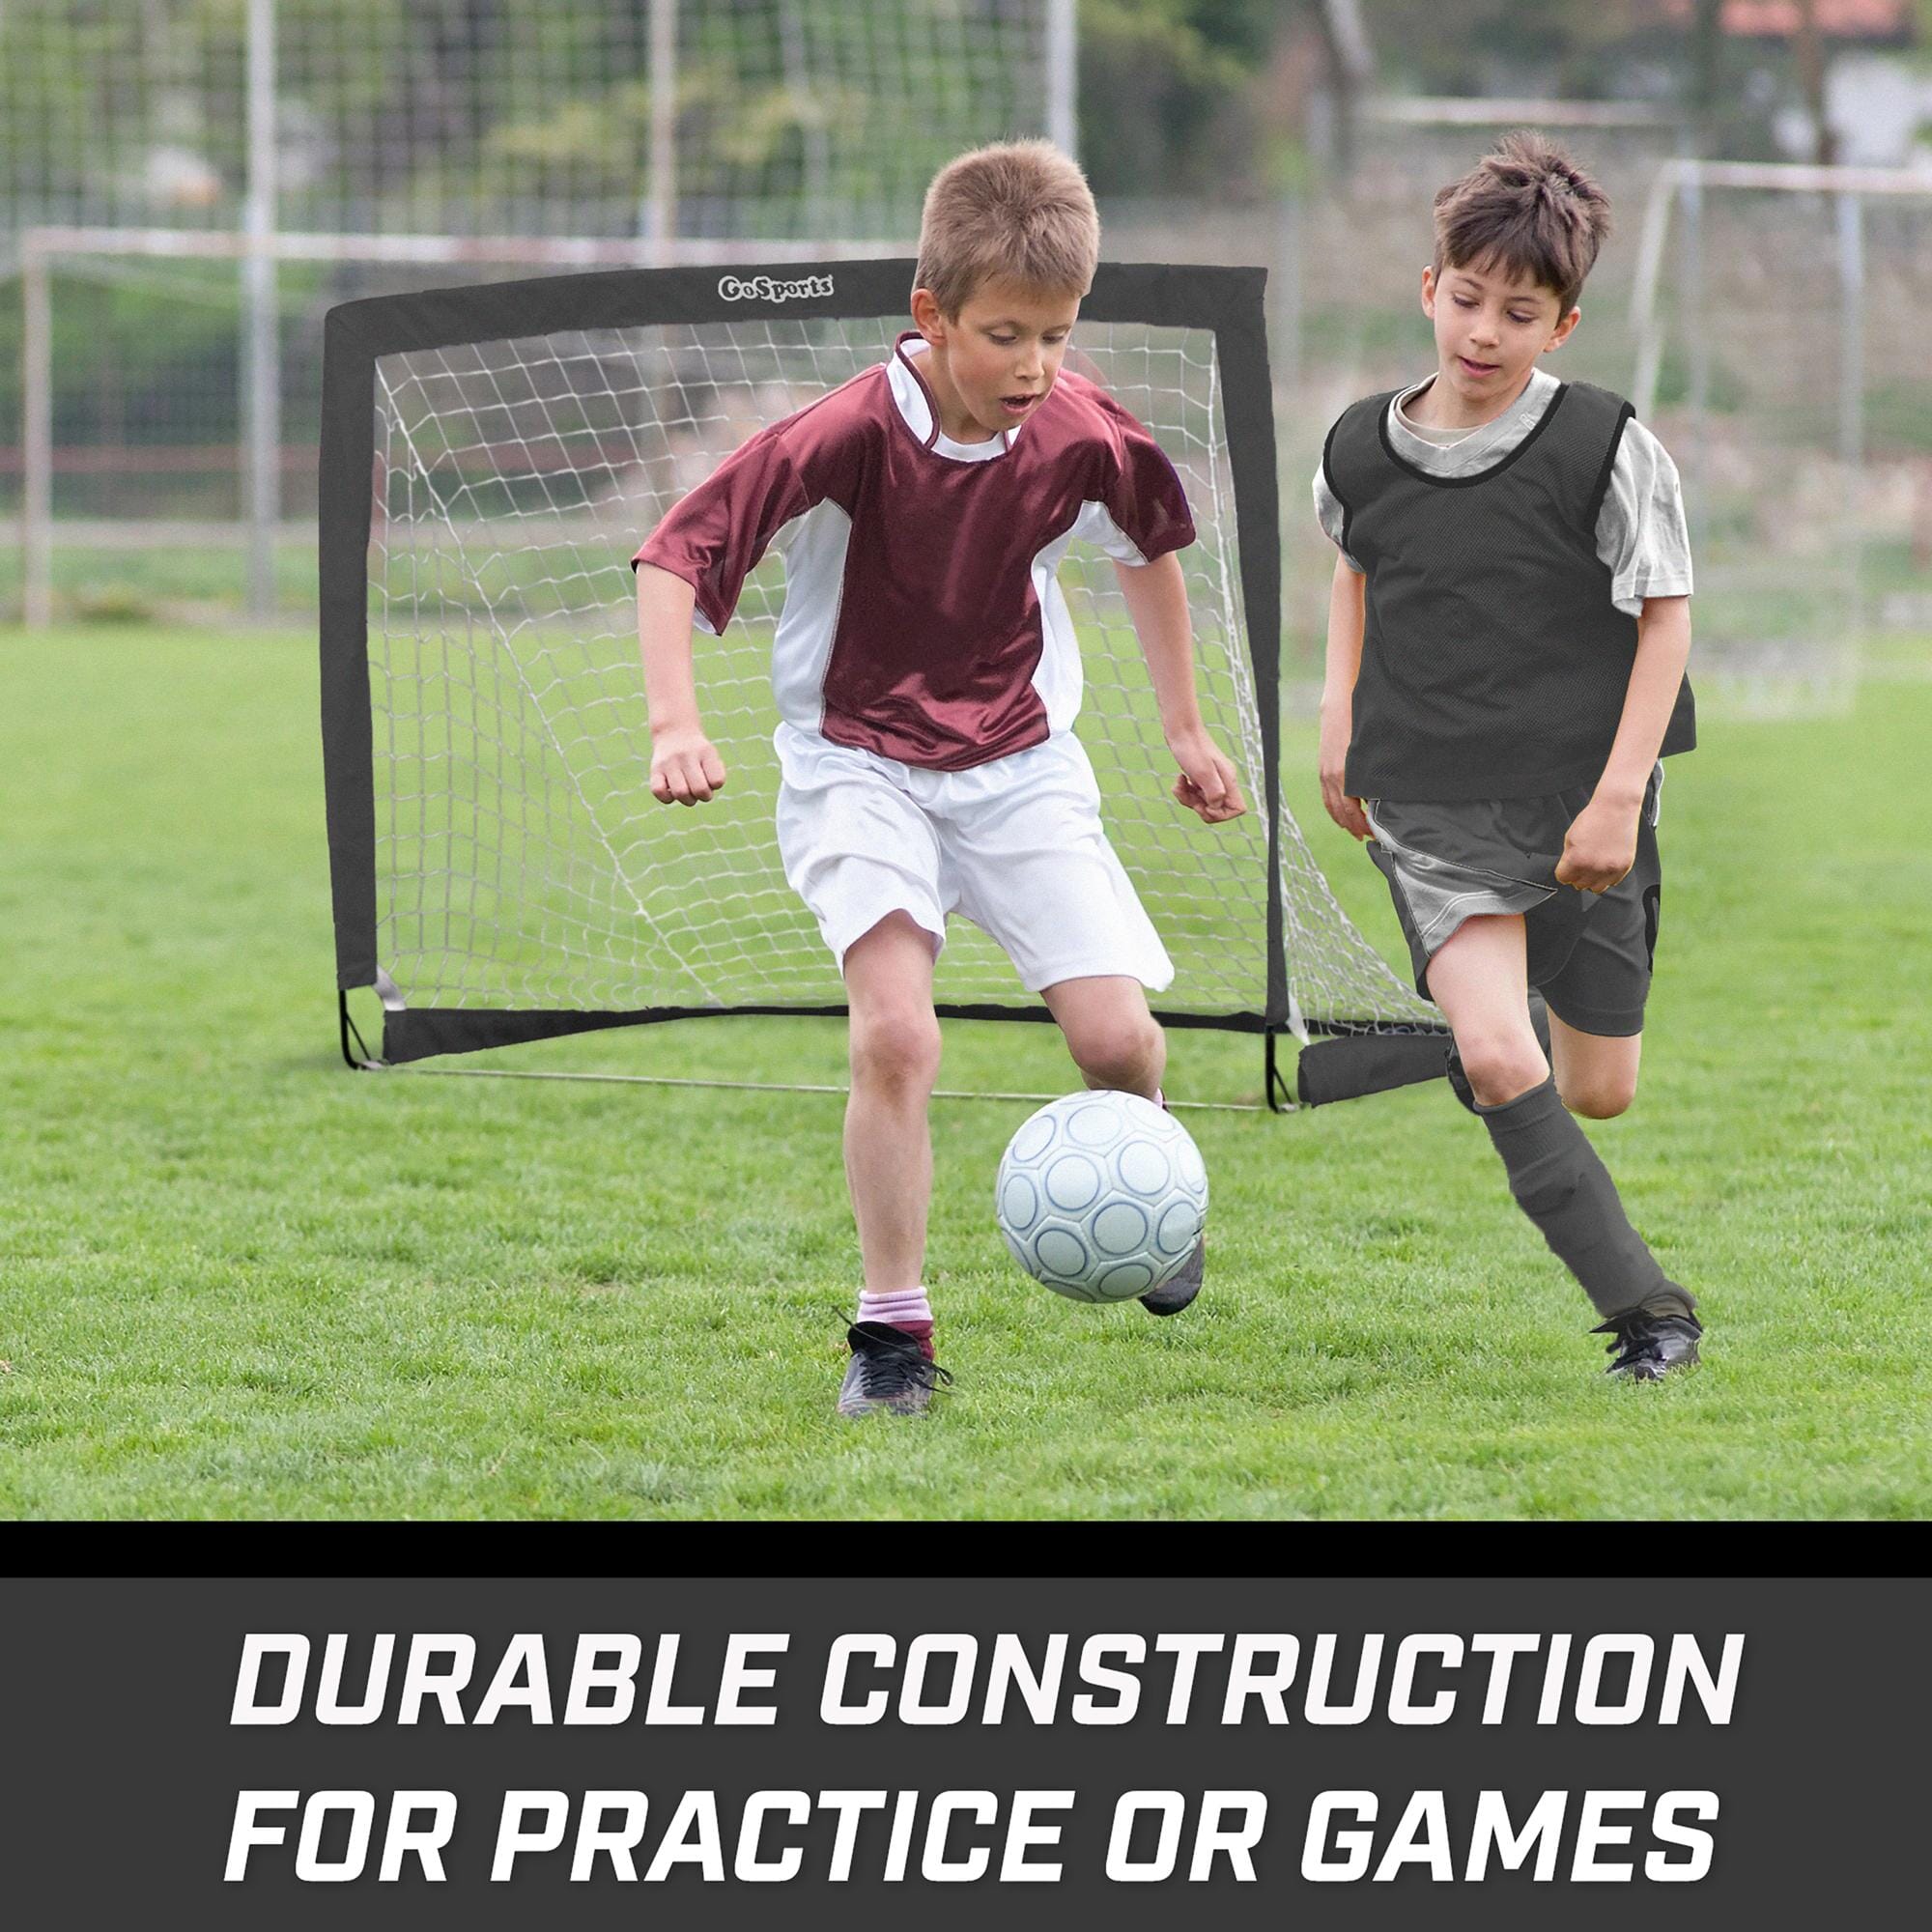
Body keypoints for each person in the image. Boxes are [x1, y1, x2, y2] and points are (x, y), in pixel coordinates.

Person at [632, 139, 1246, 1416]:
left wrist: (1187, 730)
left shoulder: (1076, 429)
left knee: (1120, 1041)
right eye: (1006, 334)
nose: (1034, 366)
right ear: (932, 317)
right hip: (857, 766)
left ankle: (1153, 1198)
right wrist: (672, 722)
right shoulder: (847, 432)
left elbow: (1149, 546)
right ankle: (892, 1339)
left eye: (1057, 337)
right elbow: (672, 557)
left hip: (1018, 766)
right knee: (899, 1037)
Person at [1314, 129, 1703, 1382]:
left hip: (1586, 801)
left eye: (1517, 313)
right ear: (1430, 290)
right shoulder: (1360, 446)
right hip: (1430, 796)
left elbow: (1666, 614)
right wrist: (1338, 717)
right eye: (1466, 300)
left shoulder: (1606, 446)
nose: (1483, 331)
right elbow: (1355, 568)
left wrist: (1620, 795)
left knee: (1599, 1091)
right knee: (1497, 1055)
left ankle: (1492, 1015)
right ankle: (1651, 1317)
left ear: (1564, 326)